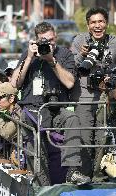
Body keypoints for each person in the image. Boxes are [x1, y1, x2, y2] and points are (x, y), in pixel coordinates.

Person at [11, 21, 90, 186]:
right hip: (33, 111)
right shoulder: (29, 55)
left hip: (56, 109)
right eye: (45, 41)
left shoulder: (64, 54)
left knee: (72, 119)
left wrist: (52, 61)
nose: (50, 44)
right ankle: (43, 187)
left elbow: (69, 83)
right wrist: (29, 58)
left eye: (52, 40)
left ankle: (73, 171)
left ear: (56, 37)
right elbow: (15, 84)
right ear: (36, 41)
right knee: (36, 148)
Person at [71, 7, 116, 177]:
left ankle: (100, 175)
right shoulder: (79, 40)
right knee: (85, 138)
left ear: (106, 24)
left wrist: (113, 78)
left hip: (107, 97)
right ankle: (84, 175)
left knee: (103, 138)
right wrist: (82, 55)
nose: (97, 26)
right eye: (93, 22)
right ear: (88, 25)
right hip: (84, 96)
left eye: (101, 21)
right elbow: (71, 67)